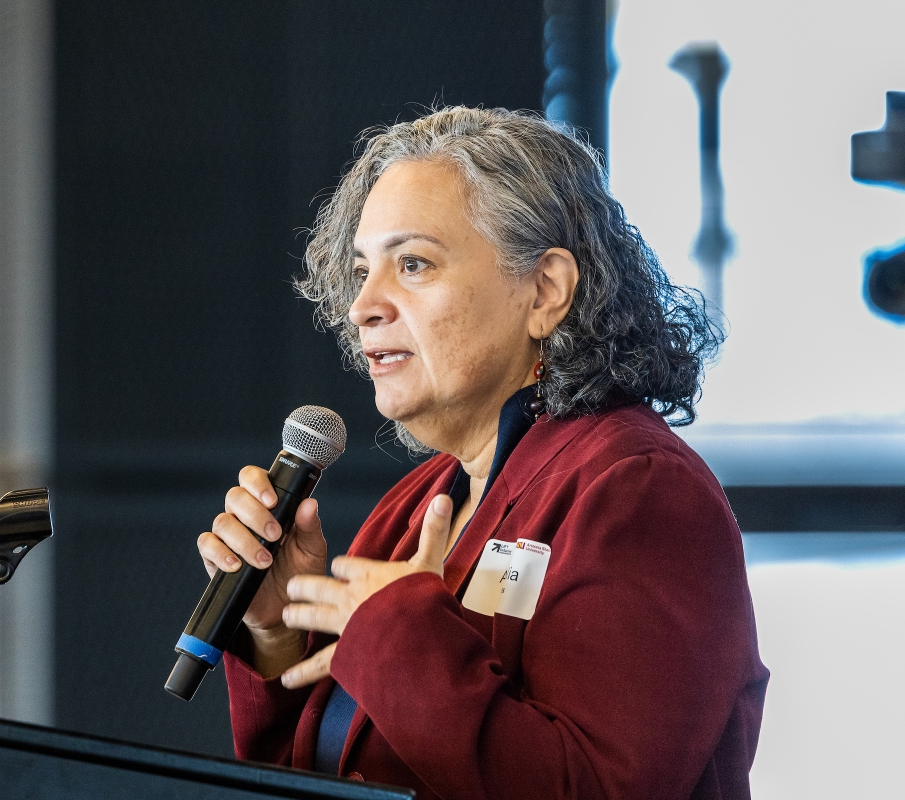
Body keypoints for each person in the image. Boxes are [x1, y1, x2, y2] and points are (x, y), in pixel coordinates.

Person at [195, 106, 768, 800]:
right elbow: (332, 774)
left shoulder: (637, 489)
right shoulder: (418, 503)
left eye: (413, 264)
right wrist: (280, 632)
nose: (364, 305)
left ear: (544, 291)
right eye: (361, 270)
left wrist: (401, 638)